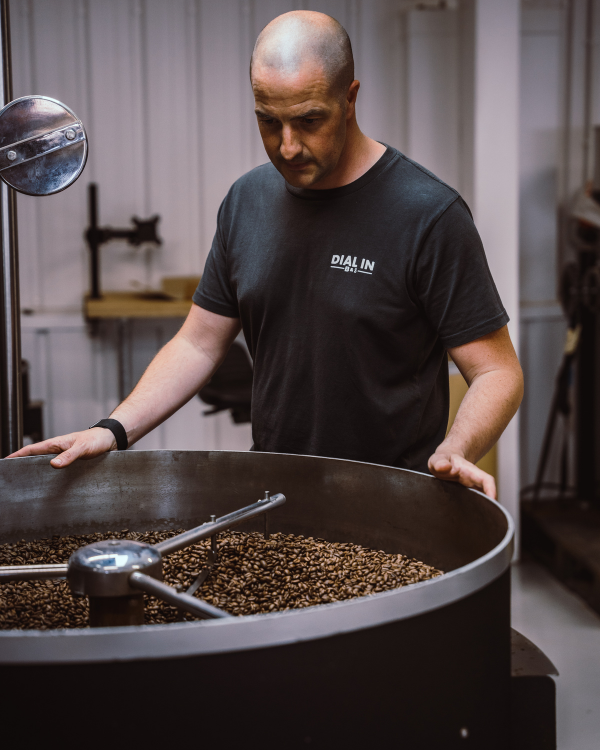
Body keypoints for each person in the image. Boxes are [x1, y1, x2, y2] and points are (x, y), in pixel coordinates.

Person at [9, 11, 523, 500]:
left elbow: (498, 372)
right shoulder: (246, 201)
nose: (289, 146)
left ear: (351, 98)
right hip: (277, 497)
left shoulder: (428, 214)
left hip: (393, 503)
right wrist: (113, 431)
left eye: (309, 120)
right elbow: (198, 345)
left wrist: (456, 449)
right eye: (269, 122)